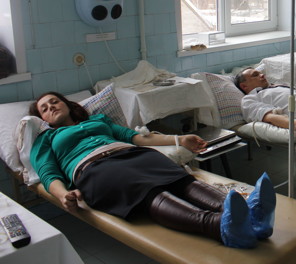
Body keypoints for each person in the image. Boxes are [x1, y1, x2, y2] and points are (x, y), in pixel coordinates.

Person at [29, 92, 276, 248]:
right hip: (94, 169)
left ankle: (252, 214)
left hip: (132, 154)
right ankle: (219, 226)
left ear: (67, 104)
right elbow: (48, 174)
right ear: (43, 120)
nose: (51, 107)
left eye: (54, 101)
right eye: (44, 108)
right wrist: (63, 195)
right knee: (149, 191)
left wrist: (179, 139)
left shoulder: (98, 121)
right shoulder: (46, 139)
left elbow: (137, 138)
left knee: (181, 179)